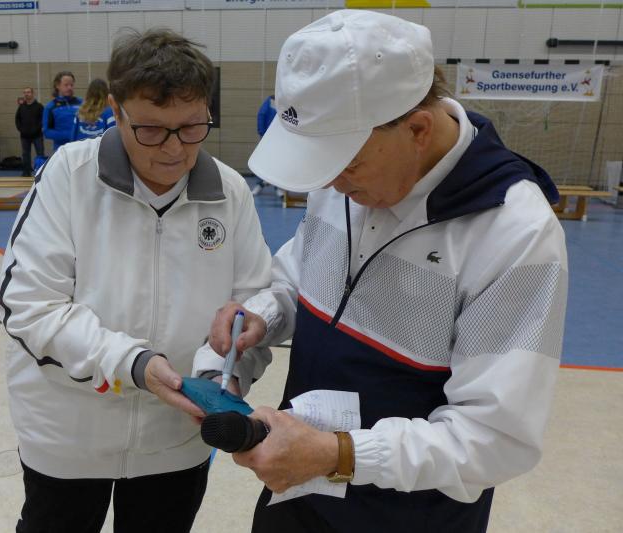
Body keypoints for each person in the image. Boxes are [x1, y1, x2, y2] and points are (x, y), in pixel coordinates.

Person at [203, 10, 568, 533]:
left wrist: (340, 454)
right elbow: (297, 277)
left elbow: (494, 439)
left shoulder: (514, 234)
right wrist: (263, 314)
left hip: (410, 516)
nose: (330, 184)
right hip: (298, 493)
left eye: (344, 164)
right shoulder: (347, 179)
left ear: (417, 128)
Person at [0, 28, 272, 533]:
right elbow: (32, 307)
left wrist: (223, 375)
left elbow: (252, 302)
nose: (174, 149)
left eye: (192, 127)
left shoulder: (229, 192)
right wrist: (135, 364)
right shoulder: (68, 176)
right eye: (151, 129)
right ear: (116, 111)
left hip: (176, 438)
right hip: (68, 435)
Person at [42, 71, 82, 152]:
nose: (69, 88)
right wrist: (70, 135)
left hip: (80, 148)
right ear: (57, 86)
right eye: (66, 85)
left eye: (71, 85)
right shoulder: (50, 107)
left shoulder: (81, 103)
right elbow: (46, 132)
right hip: (61, 150)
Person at [250, 94, 277, 197]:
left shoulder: (277, 104)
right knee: (264, 162)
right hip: (267, 138)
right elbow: (261, 116)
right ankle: (260, 185)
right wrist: (262, 133)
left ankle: (277, 187)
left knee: (276, 163)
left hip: (277, 139)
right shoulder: (270, 104)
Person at [14, 87, 44, 176]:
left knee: (40, 154)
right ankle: (26, 172)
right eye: (25, 92)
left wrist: (37, 129)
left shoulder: (39, 106)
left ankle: (41, 172)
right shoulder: (21, 107)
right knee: (25, 154)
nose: (26, 94)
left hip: (37, 135)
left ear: (32, 93)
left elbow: (42, 120)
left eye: (28, 92)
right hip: (24, 135)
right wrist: (21, 129)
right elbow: (17, 119)